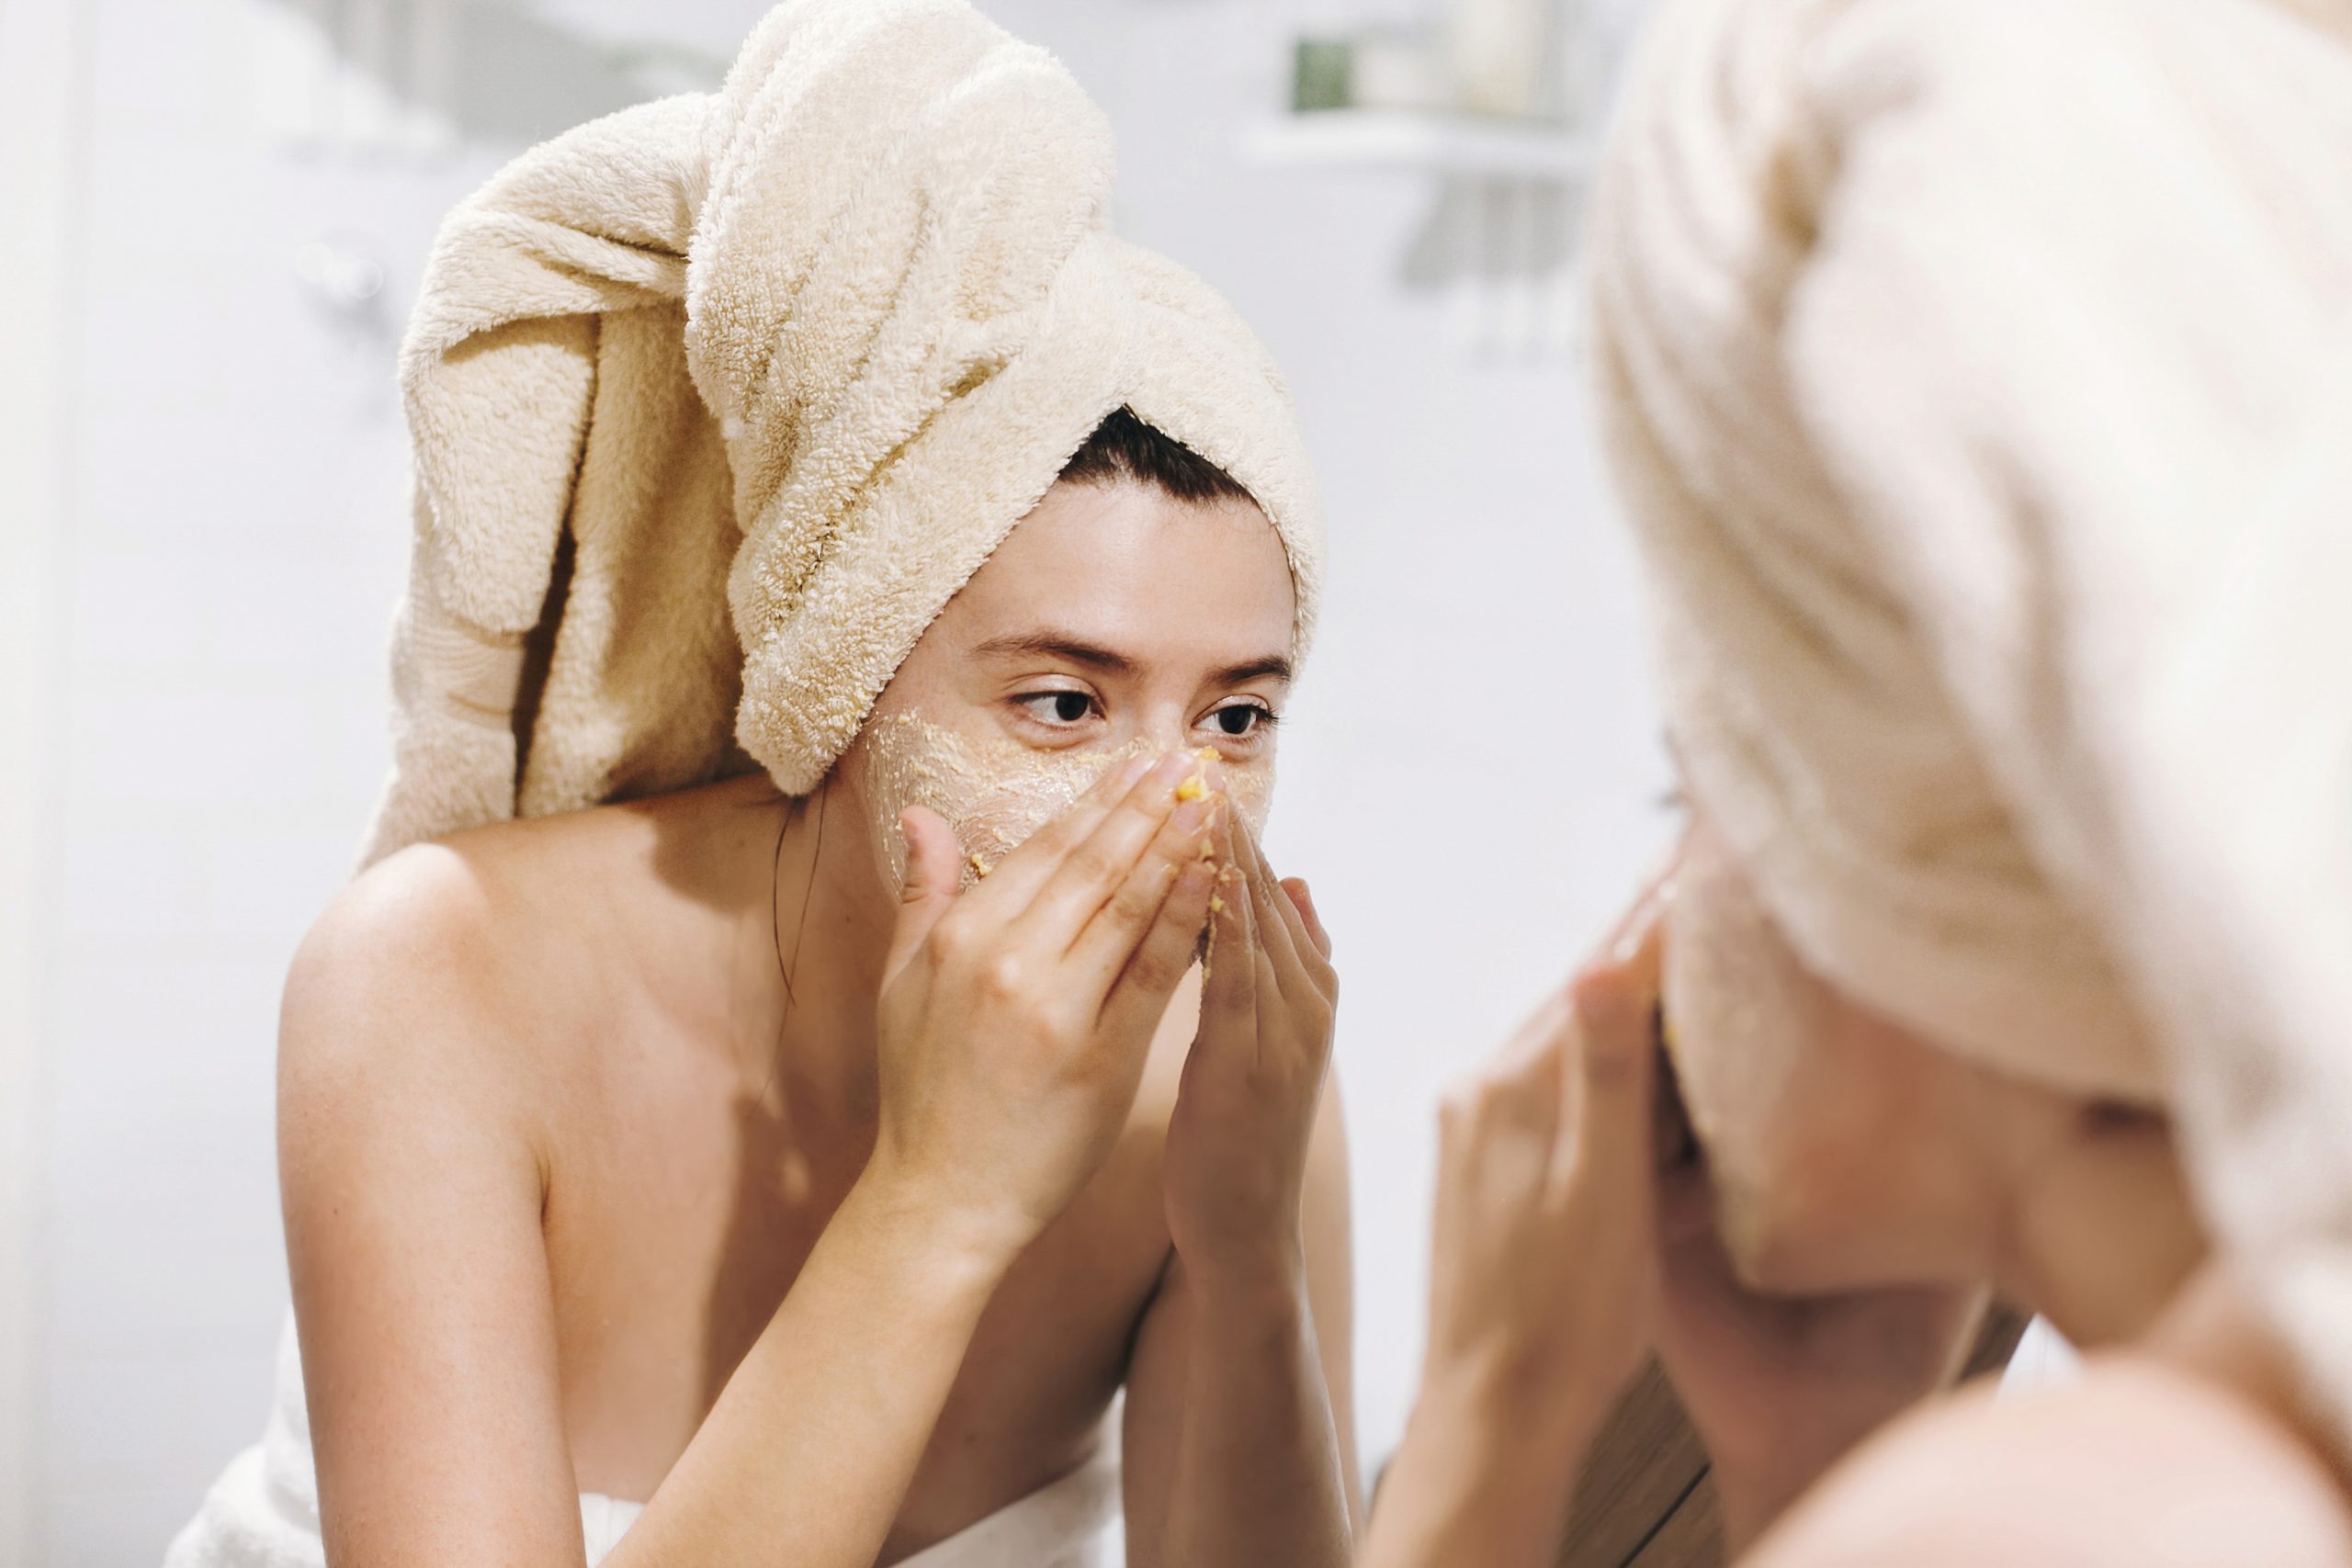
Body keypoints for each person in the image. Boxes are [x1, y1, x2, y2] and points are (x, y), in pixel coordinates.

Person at [167, 4, 1359, 1565]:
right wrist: (939, 1202)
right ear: (838, 689)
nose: (1172, 812)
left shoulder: (1225, 1079)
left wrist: (1245, 1247)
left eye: (1236, 720)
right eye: (1064, 703)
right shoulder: (436, 979)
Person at [1366, 0, 2352, 1560]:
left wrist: (1487, 1428)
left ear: (1924, 846)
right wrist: (1809, 1469)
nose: (1655, 915)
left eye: (1701, 785)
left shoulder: (2067, 1513)